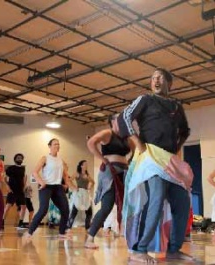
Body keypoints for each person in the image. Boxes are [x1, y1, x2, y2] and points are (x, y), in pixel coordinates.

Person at [117, 68, 194, 263]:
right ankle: (139, 250)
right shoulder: (145, 99)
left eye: (160, 77)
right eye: (152, 78)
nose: (155, 80)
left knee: (182, 202)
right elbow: (124, 117)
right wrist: (138, 143)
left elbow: (185, 131)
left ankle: (174, 250)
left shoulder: (176, 106)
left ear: (169, 83)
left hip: (168, 159)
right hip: (150, 156)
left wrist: (176, 148)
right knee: (156, 197)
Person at [85, 114, 132, 249]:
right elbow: (90, 143)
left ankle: (130, 236)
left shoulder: (126, 137)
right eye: (119, 120)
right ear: (112, 122)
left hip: (124, 172)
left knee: (127, 205)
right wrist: (102, 158)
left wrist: (130, 162)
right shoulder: (107, 133)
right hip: (110, 172)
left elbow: (135, 148)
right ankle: (90, 238)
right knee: (107, 207)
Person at [24, 138, 76, 239]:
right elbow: (35, 172)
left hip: (57, 187)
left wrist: (68, 185)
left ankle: (62, 233)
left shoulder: (61, 161)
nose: (57, 146)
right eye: (55, 144)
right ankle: (30, 232)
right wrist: (41, 182)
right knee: (43, 209)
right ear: (50, 146)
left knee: (65, 209)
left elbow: (65, 175)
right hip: (46, 186)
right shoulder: (45, 158)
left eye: (58, 144)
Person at [67, 160, 94, 231]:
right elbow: (69, 180)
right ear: (81, 165)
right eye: (84, 164)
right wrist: (73, 187)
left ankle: (87, 227)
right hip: (79, 193)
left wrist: (89, 187)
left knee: (89, 211)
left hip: (85, 193)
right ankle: (68, 227)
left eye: (86, 164)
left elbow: (93, 182)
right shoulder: (77, 173)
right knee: (75, 210)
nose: (86, 165)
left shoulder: (87, 175)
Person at [3, 153, 27, 228]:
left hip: (20, 191)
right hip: (12, 190)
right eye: (18, 158)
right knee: (8, 206)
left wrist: (24, 186)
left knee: (23, 207)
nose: (19, 159)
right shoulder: (10, 168)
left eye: (21, 158)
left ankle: (21, 223)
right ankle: (2, 222)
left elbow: (24, 178)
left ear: (22, 160)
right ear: (15, 159)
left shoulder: (23, 168)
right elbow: (4, 178)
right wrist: (7, 187)